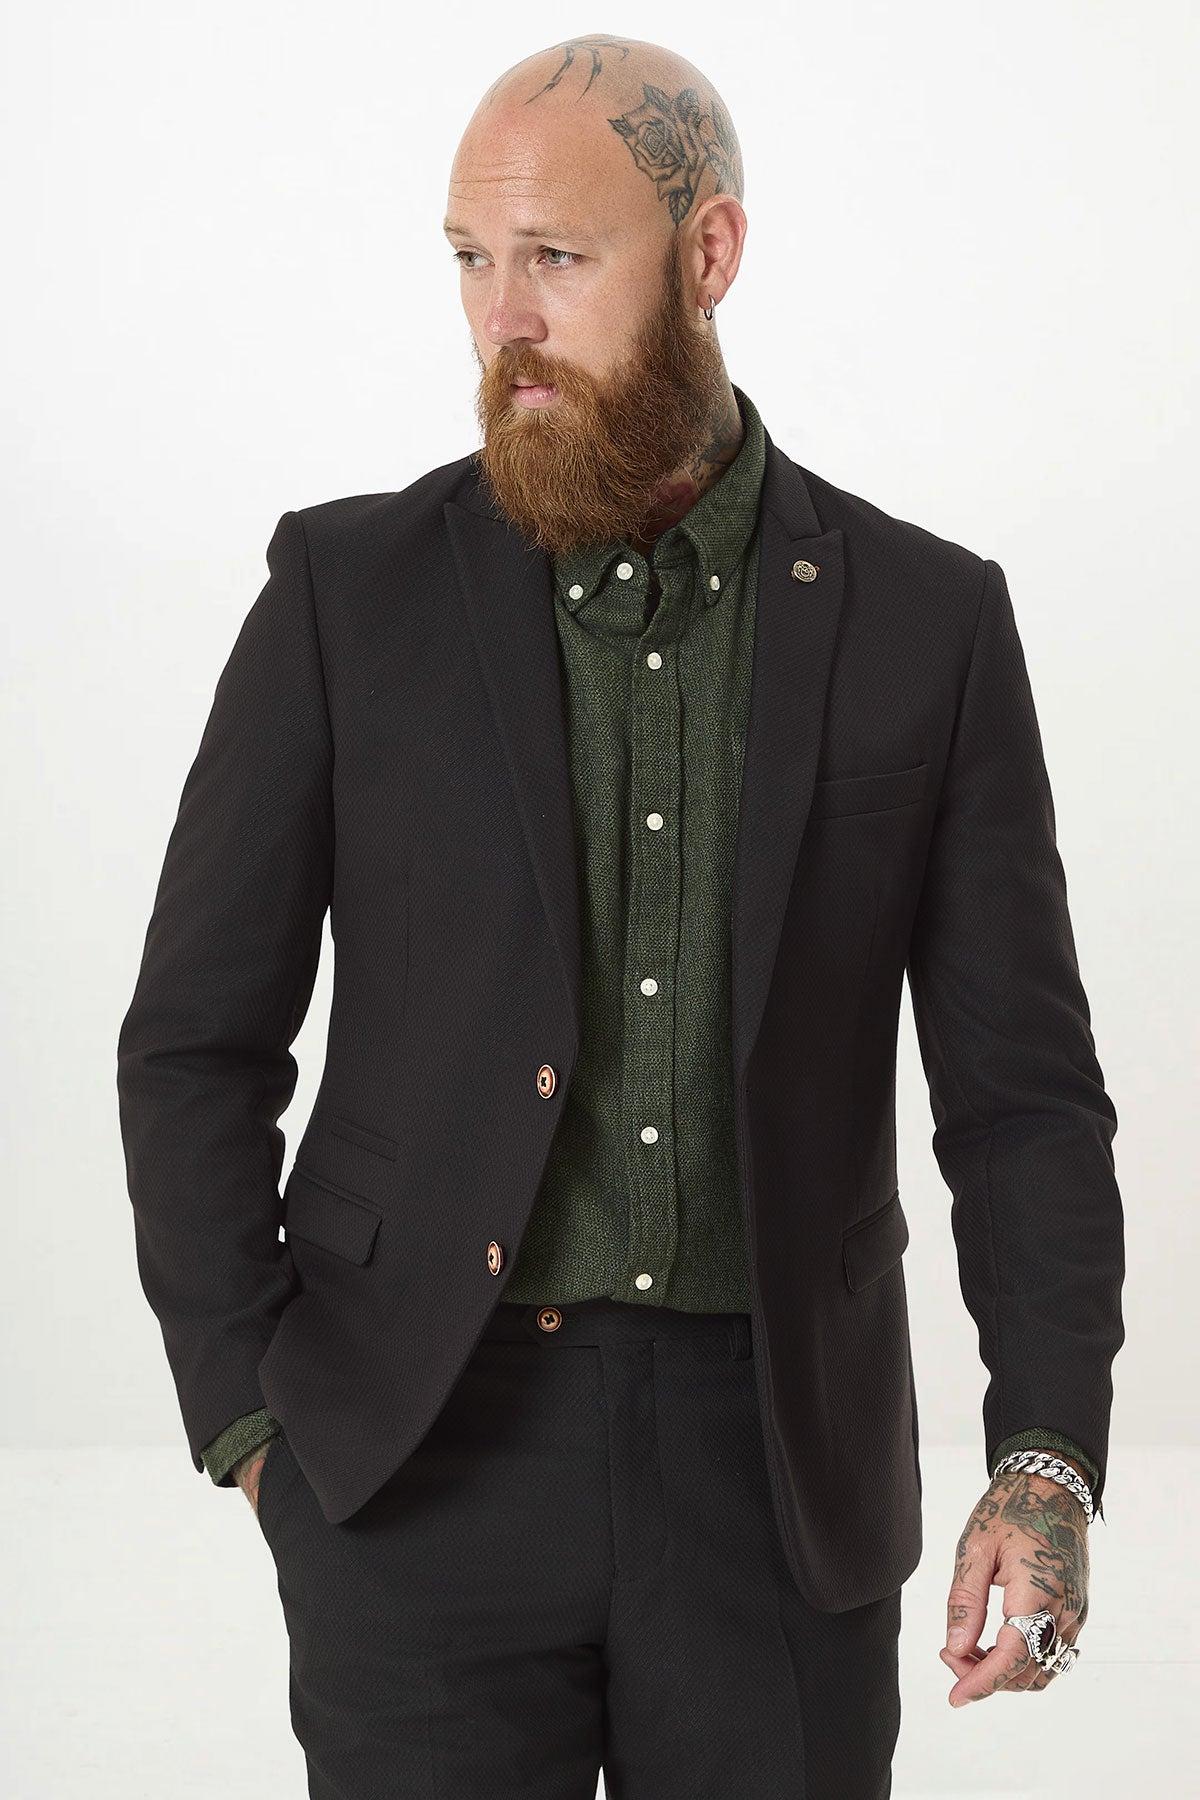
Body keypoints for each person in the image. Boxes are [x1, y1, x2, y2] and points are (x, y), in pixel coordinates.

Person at [116, 32, 1125, 1798]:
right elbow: (195, 1043)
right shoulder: (347, 596)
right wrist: (255, 1421)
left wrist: (1044, 1459)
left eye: (557, 258)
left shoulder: (928, 623)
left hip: (778, 1478)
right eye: (469, 258)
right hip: (415, 1462)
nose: (500, 318)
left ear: (708, 253)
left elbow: (1023, 1097)